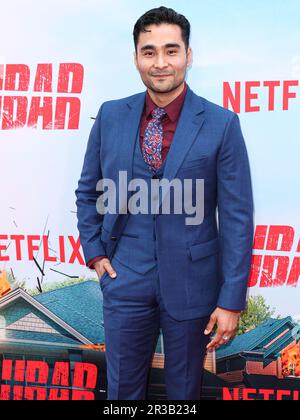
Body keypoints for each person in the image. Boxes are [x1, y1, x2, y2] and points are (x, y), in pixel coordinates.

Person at [75, 6, 254, 400]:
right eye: (149, 51)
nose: (160, 63)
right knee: (122, 392)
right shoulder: (110, 116)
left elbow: (238, 217)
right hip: (124, 278)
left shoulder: (222, 123)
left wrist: (231, 300)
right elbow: (89, 191)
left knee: (184, 394)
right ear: (136, 57)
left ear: (189, 55)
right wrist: (95, 253)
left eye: (171, 51)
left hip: (194, 284)